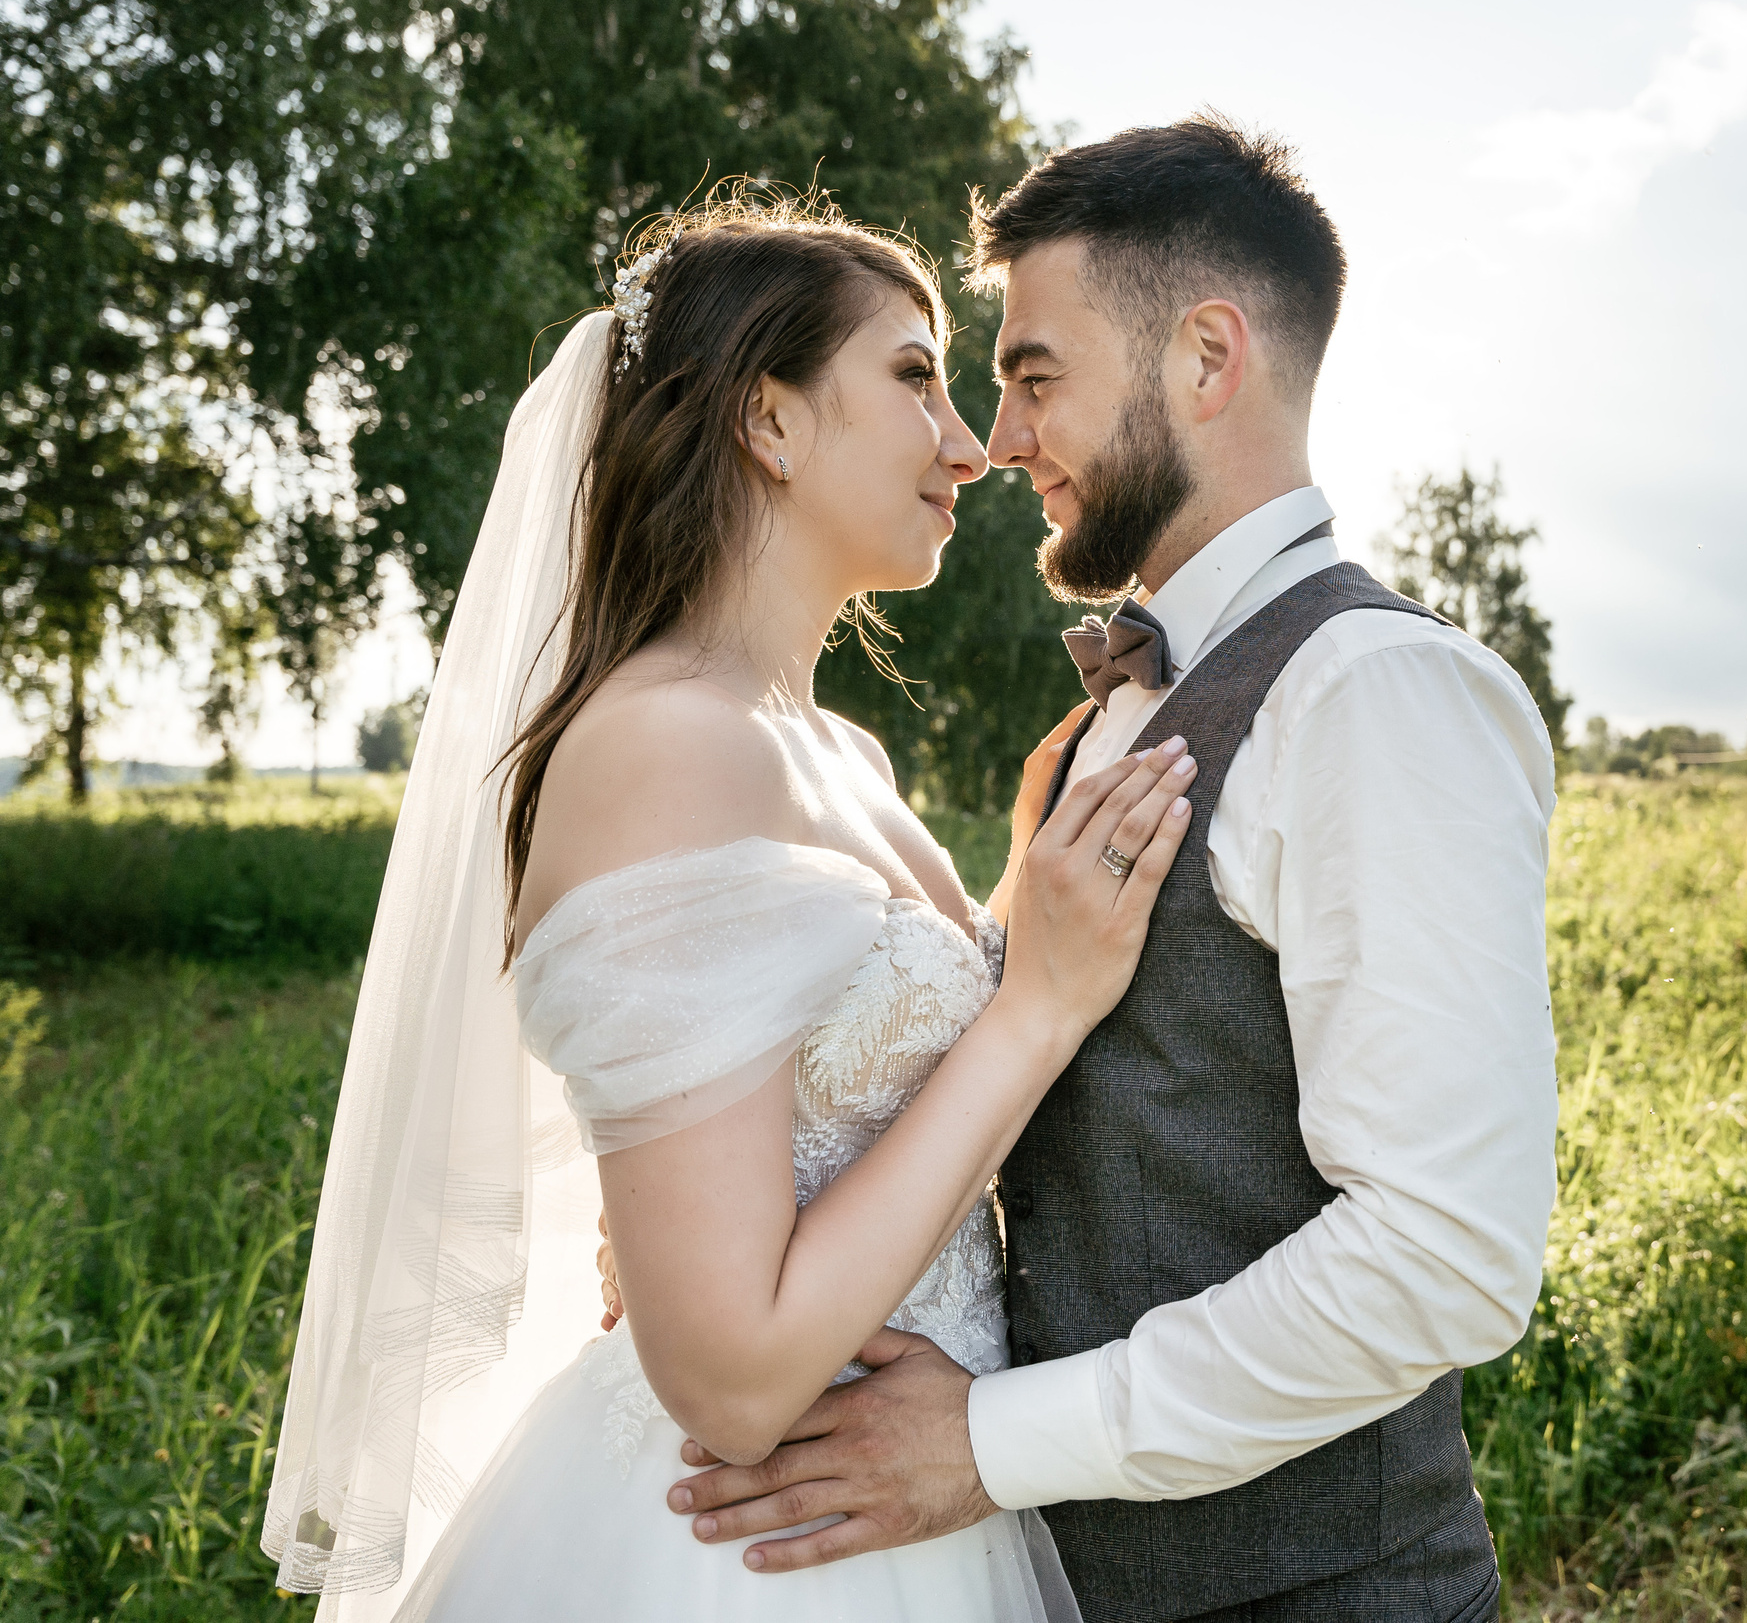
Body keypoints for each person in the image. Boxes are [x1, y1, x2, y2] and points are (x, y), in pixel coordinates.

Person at [656, 118, 1561, 1621]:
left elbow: (1443, 1253)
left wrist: (991, 1446)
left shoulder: (1379, 696)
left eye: (1034, 376)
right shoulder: (1115, 713)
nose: (999, 443)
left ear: (1209, 358)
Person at [262, 192, 1190, 1621]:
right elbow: (740, 1377)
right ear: (767, 422)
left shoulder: (830, 749)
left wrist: (1017, 880)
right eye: (911, 375)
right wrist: (1044, 1000)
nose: (969, 445)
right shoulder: (663, 747)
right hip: (750, 1554)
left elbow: (838, 1064)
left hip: (912, 1510)